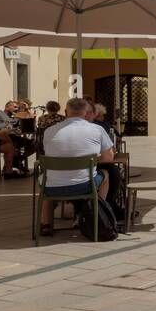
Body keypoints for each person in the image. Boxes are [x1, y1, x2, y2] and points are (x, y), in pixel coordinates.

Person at [38, 97, 114, 236]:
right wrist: (92, 157)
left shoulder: (49, 131)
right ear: (86, 112)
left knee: (47, 179)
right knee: (106, 175)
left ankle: (46, 223)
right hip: (84, 185)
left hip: (51, 188)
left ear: (66, 112)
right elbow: (109, 157)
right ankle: (97, 214)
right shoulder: (97, 129)